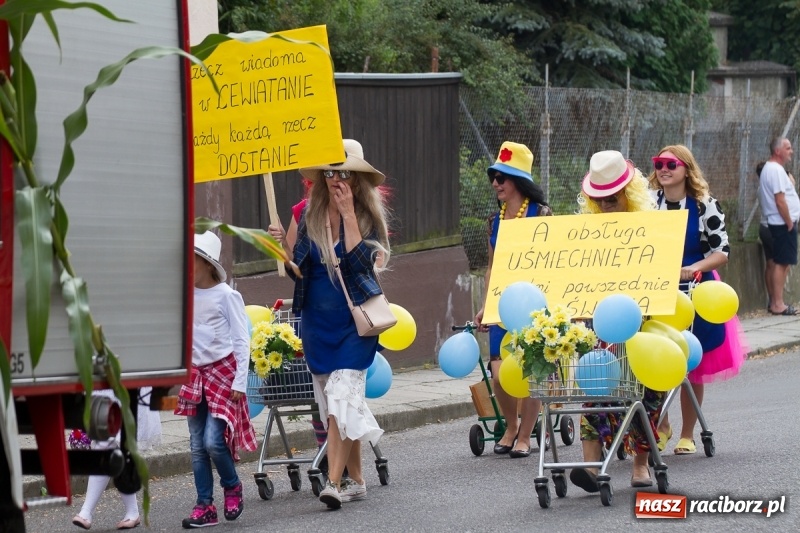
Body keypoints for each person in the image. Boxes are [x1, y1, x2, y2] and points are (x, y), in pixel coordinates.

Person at [271, 138, 389, 510]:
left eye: (344, 174)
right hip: (317, 324)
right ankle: (358, 481)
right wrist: (281, 248)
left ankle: (334, 482)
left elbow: (360, 265)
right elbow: (296, 270)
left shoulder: (368, 216)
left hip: (354, 326)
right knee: (337, 407)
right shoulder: (311, 214)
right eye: (329, 174)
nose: (336, 181)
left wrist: (349, 214)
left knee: (342, 397)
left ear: (357, 179)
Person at [569, 150, 661, 492]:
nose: (606, 203)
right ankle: (591, 467)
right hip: (601, 325)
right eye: (600, 198)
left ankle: (641, 464)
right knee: (595, 386)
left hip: (642, 324)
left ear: (629, 194)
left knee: (643, 392)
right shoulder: (587, 234)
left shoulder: (651, 229)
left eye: (613, 196)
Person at [649, 144, 747, 455]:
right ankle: (661, 425)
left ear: (686, 169)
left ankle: (688, 434)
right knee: (655, 358)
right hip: (658, 288)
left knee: (693, 364)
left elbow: (722, 251)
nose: (664, 169)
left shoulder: (705, 205)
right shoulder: (649, 204)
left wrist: (695, 267)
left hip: (696, 289)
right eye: (659, 164)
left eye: (671, 164)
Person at [175, 231, 257, 528]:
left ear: (208, 265)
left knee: (213, 441)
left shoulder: (226, 295)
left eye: (193, 261)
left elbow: (241, 339)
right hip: (195, 375)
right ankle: (205, 506)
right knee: (197, 445)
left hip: (222, 374)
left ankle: (232, 485)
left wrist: (240, 381)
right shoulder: (185, 294)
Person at [474, 141, 549, 459]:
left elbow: (552, 263)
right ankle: (511, 425)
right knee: (499, 371)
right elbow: (491, 267)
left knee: (532, 371)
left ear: (518, 180)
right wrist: (486, 305)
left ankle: (526, 435)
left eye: (501, 177)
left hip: (534, 304)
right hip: (503, 304)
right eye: (493, 177)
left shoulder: (542, 214)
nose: (495, 183)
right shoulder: (495, 221)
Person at [71, 388, 162, 530]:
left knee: (112, 446)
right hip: (106, 389)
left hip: (128, 387)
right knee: (110, 446)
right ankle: (129, 512)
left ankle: (87, 511)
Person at [758, 137, 800, 315]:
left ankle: (774, 302)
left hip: (777, 223)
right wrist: (789, 222)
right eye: (788, 148)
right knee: (782, 263)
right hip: (782, 223)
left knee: (775, 262)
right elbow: (780, 200)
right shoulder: (775, 170)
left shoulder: (771, 169)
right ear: (777, 151)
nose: (791, 151)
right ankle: (778, 303)